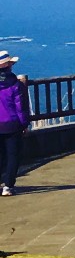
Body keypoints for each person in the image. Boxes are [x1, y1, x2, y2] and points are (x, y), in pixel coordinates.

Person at [0, 51, 31, 197]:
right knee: (13, 156)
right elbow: (20, 107)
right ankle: (8, 186)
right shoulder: (15, 84)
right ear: (9, 66)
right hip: (12, 125)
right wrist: (24, 124)